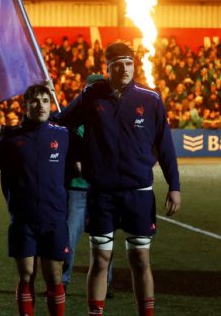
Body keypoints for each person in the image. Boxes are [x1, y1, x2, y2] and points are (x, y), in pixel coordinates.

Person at [53, 42, 181, 316]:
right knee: (100, 260)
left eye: (128, 63)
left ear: (134, 65)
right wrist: (76, 148)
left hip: (139, 191)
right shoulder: (91, 95)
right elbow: (62, 122)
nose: (124, 69)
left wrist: (174, 186)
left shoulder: (151, 98)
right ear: (107, 67)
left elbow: (165, 145)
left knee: (140, 259)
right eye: (117, 64)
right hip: (102, 193)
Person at [0, 84, 70, 316]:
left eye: (45, 100)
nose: (40, 105)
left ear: (51, 104)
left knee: (54, 276)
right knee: (26, 274)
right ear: (25, 106)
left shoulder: (63, 135)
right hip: (22, 219)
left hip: (54, 218)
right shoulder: (11, 139)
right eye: (35, 101)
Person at [61, 74, 114, 296]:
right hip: (78, 188)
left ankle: (106, 282)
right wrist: (74, 162)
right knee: (69, 238)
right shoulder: (72, 119)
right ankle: (62, 280)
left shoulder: (109, 120)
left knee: (104, 240)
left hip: (102, 189)